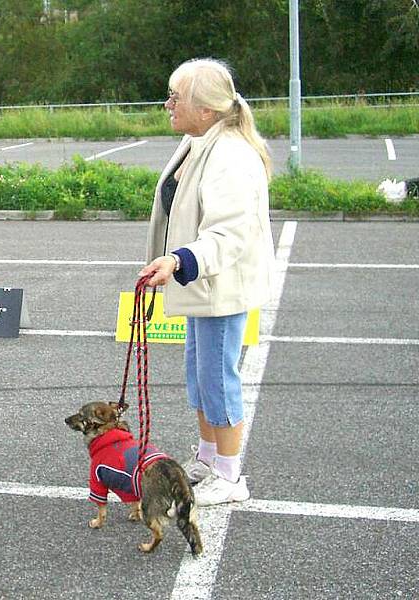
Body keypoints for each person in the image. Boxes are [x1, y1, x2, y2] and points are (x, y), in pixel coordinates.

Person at [139, 58, 275, 507]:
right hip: (198, 282)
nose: (168, 104)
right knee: (200, 378)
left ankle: (231, 476)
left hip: (218, 283)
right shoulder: (198, 140)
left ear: (207, 109)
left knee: (217, 378)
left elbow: (229, 232)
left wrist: (179, 260)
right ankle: (209, 458)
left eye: (176, 96)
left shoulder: (231, 154)